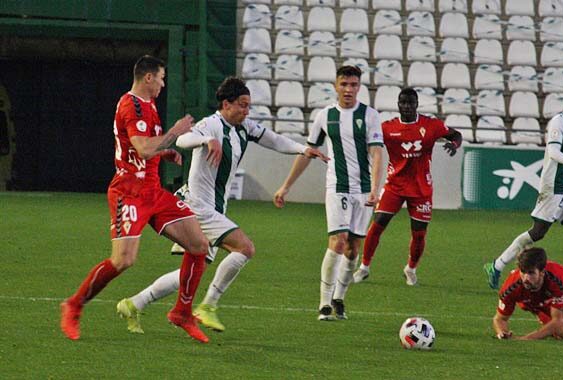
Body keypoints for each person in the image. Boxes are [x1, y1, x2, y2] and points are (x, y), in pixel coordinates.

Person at [115, 77, 328, 334]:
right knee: (245, 248)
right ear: (226, 104)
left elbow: (272, 139)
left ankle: (135, 303)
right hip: (198, 206)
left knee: (194, 270)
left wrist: (302, 149)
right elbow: (183, 140)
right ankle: (208, 306)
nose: (246, 111)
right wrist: (205, 141)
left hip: (212, 207)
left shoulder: (244, 126)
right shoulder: (211, 124)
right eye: (242, 105)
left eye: (249, 106)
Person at [60, 55, 210, 343]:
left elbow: (137, 147)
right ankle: (74, 304)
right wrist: (174, 134)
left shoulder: (148, 105)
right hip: (129, 193)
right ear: (149, 78)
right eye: (162, 78)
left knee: (199, 245)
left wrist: (164, 152)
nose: (164, 84)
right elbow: (141, 148)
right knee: (123, 260)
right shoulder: (132, 104)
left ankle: (182, 312)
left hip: (152, 190)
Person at [273, 65, 384, 321]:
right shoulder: (325, 116)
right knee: (339, 240)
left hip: (364, 190)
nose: (349, 90)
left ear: (359, 87)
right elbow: (308, 153)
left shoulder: (369, 116)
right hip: (337, 186)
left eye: (354, 85)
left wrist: (376, 189)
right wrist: (286, 186)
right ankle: (324, 303)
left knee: (353, 249)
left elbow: (377, 153)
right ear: (335, 86)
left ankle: (339, 298)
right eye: (344, 84)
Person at [484, 83, 563, 289]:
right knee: (537, 233)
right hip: (553, 184)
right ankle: (497, 265)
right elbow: (553, 153)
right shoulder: (558, 122)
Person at [352, 88, 462, 286]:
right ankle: (364, 267)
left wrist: (454, 145)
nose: (407, 106)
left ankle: (410, 269)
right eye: (403, 103)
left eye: (411, 103)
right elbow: (369, 143)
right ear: (398, 105)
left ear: (417, 104)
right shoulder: (387, 128)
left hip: (421, 188)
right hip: (394, 185)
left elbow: (456, 135)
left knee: (419, 234)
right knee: (377, 225)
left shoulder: (431, 125)